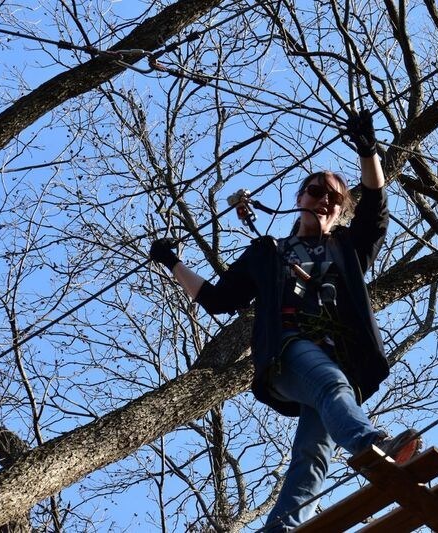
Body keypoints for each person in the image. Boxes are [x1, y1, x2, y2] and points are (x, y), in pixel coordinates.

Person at [149, 110, 421, 531]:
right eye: (315, 191)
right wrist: (173, 263)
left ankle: (282, 527)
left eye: (333, 197)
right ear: (300, 197)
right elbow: (220, 299)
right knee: (331, 385)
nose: (323, 199)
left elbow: (376, 208)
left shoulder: (349, 249)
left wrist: (369, 151)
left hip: (340, 361)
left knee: (313, 454)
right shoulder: (269, 252)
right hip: (287, 352)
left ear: (341, 210)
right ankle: (372, 445)